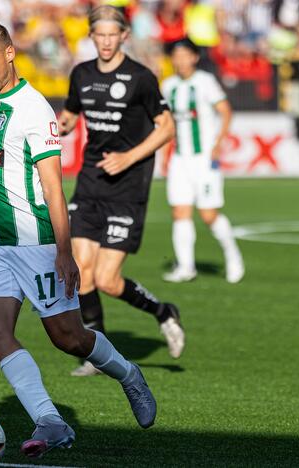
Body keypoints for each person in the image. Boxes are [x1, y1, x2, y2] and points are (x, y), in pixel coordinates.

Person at [0, 21, 157, 459]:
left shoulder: (35, 110)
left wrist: (65, 252)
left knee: (68, 338)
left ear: (10, 53)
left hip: (36, 244)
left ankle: (129, 375)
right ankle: (49, 420)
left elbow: (54, 188)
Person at [58, 6, 185, 376]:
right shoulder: (81, 74)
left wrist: (128, 157)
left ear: (124, 36)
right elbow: (70, 114)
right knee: (82, 273)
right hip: (91, 182)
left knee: (109, 281)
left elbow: (166, 128)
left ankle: (164, 312)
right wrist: (58, 126)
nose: (107, 41)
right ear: (91, 36)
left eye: (113, 35)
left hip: (127, 188)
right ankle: (97, 355)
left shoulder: (140, 78)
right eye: (100, 35)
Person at [160, 39, 245, 284]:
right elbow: (168, 124)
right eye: (176, 56)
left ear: (195, 57)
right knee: (180, 211)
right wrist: (166, 155)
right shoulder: (168, 86)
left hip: (204, 159)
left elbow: (225, 111)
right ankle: (186, 267)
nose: (180, 60)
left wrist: (218, 144)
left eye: (185, 55)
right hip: (179, 159)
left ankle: (233, 255)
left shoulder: (205, 82)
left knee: (208, 214)